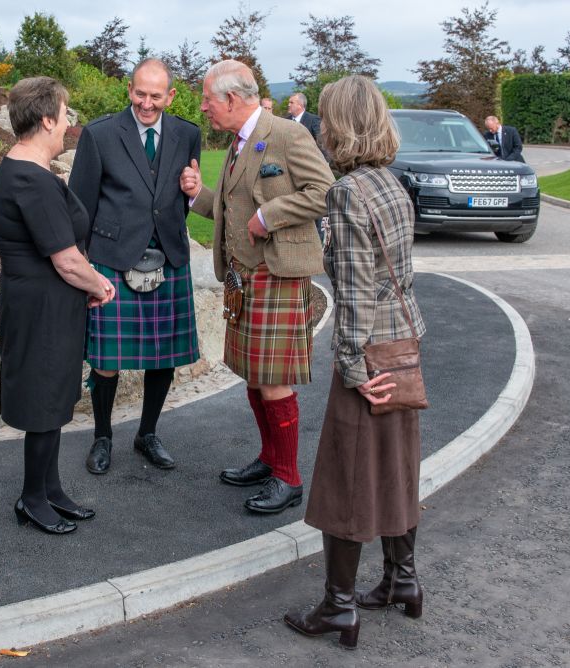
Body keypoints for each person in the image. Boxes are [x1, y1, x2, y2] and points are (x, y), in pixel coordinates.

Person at [283, 74, 427, 649]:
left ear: (339, 126)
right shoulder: (392, 183)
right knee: (397, 468)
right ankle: (401, 580)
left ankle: (338, 606)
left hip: (371, 356)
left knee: (346, 479)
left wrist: (352, 368)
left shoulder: (347, 193)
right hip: (404, 345)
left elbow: (356, 293)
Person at [180, 60, 332, 514]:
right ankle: (270, 459)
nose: (203, 107)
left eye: (207, 99)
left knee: (273, 380)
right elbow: (232, 209)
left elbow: (325, 191)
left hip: (276, 274)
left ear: (231, 99)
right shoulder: (239, 142)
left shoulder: (286, 134)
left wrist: (270, 215)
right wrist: (196, 195)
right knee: (255, 374)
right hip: (244, 277)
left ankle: (289, 478)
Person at [0, 76, 115, 534]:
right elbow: (65, 260)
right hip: (40, 307)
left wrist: (86, 284)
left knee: (55, 395)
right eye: (65, 115)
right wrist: (100, 285)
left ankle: (51, 490)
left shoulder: (31, 171)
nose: (68, 124)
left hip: (49, 303)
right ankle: (31, 498)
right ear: (46, 119)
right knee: (44, 398)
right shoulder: (30, 179)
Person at [69, 58, 202, 474]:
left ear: (171, 96)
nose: (146, 103)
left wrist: (193, 191)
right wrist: (84, 266)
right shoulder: (101, 134)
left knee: (163, 356)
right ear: (129, 90)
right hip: (113, 258)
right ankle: (102, 437)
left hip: (169, 257)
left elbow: (184, 197)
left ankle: (147, 433)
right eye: (140, 93)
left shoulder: (187, 134)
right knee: (106, 359)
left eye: (155, 96)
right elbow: (80, 204)